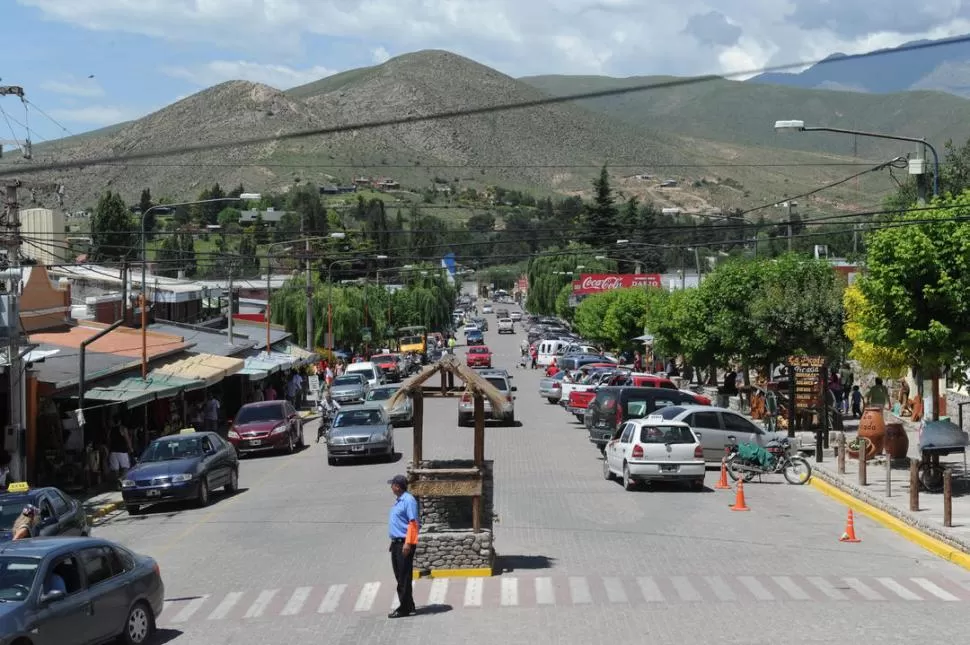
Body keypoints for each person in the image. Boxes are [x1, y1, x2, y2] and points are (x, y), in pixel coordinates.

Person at [387, 474, 419, 618]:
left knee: (403, 577)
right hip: (396, 544)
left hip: (404, 544)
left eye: (392, 484)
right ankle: (409, 605)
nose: (391, 487)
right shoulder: (399, 500)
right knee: (400, 575)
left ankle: (404, 608)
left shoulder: (408, 500)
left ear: (397, 486)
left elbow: (413, 523)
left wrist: (407, 543)